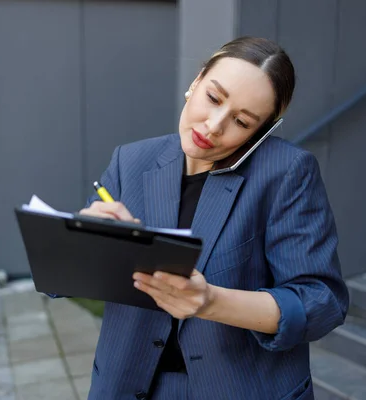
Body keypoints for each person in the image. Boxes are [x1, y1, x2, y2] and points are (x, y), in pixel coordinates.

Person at [76, 36, 349, 400]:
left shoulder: (287, 172)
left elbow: (321, 301)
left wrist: (211, 302)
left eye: (241, 120)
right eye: (213, 98)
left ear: (261, 132)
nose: (215, 126)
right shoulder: (131, 161)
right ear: (196, 82)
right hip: (125, 383)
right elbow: (66, 277)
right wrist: (87, 241)